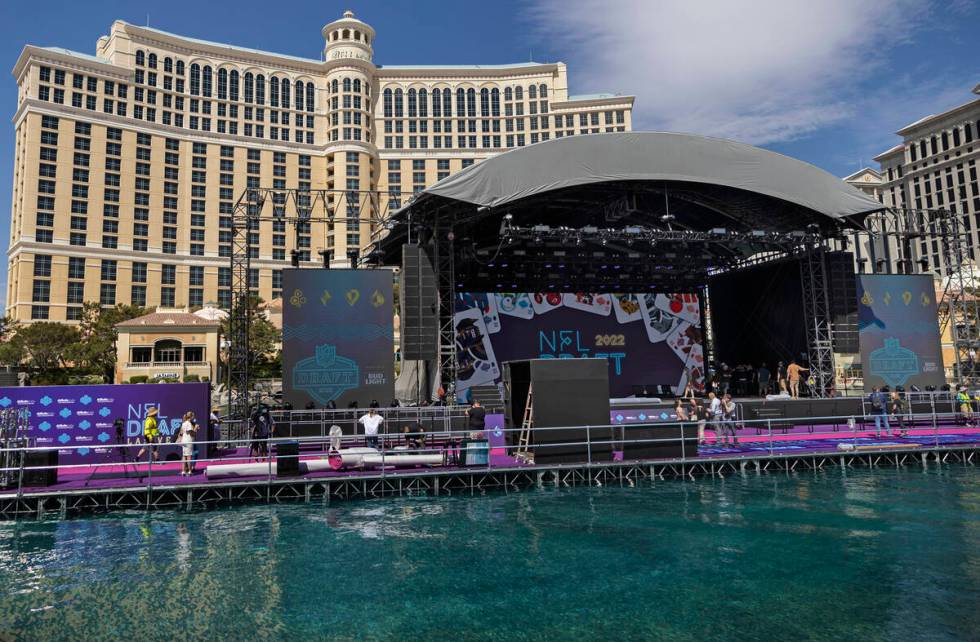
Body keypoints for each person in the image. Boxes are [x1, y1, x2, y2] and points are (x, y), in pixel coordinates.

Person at [178, 411, 198, 476]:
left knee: (184, 456)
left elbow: (181, 432)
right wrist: (195, 428)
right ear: (191, 417)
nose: (194, 417)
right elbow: (192, 434)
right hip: (188, 441)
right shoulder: (188, 423)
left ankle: (183, 471)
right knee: (189, 456)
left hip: (184, 441)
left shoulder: (184, 423)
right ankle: (189, 471)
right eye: (193, 416)